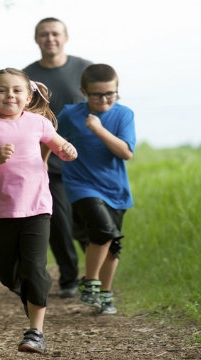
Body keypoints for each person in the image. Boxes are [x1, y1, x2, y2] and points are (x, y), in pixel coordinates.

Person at [0, 68, 78, 353]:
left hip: (37, 206)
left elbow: (61, 147)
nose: (10, 95)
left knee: (34, 268)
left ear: (29, 95)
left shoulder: (38, 123)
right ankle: (37, 296)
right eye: (2, 90)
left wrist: (68, 150)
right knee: (9, 275)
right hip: (3, 209)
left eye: (17, 90)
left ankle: (35, 331)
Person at [56, 64, 135, 316]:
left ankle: (106, 295)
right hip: (81, 186)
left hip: (115, 189)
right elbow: (50, 137)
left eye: (110, 94)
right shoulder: (69, 115)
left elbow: (126, 152)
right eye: (97, 95)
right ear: (83, 91)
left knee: (111, 242)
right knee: (103, 229)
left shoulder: (124, 115)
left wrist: (99, 129)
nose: (104, 100)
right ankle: (90, 282)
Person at [23, 17, 93, 298]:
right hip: (47, 162)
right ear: (36, 39)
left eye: (55, 34)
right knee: (59, 220)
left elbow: (102, 106)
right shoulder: (26, 76)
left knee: (87, 221)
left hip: (85, 161)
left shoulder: (84, 69)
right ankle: (68, 277)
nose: (49, 38)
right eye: (43, 34)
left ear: (65, 37)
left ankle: (95, 276)